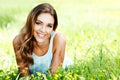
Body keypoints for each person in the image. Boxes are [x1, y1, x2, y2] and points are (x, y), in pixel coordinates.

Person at [13, 3, 71, 77]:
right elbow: (24, 76)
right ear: (31, 22)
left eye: (49, 26)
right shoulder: (18, 41)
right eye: (38, 23)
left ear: (53, 28)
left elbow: (53, 76)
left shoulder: (59, 39)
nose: (43, 30)